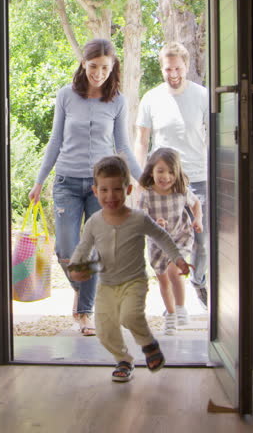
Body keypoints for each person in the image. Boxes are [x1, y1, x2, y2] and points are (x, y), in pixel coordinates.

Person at [29, 38, 143, 337]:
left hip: (101, 187)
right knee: (67, 249)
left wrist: (142, 179)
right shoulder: (66, 95)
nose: (99, 73)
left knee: (93, 249)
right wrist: (39, 181)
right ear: (83, 64)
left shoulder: (117, 100)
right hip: (66, 181)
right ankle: (87, 293)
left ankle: (85, 312)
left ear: (113, 66)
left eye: (105, 67)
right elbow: (55, 142)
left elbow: (123, 146)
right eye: (94, 66)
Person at [68, 156, 190, 382]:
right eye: (104, 190)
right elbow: (83, 248)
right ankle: (123, 360)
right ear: (95, 191)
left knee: (130, 316)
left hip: (134, 282)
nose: (110, 196)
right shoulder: (95, 222)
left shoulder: (138, 219)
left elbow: (161, 237)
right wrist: (75, 268)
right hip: (106, 285)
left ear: (129, 189)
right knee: (104, 331)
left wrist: (178, 259)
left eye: (117, 189)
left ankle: (148, 345)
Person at [134, 41, 210, 308]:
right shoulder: (151, 98)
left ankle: (198, 281)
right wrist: (139, 180)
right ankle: (173, 305)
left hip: (197, 178)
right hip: (162, 184)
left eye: (178, 68)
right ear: (162, 68)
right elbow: (142, 141)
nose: (173, 73)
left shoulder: (203, 96)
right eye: (168, 69)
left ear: (186, 66)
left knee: (202, 240)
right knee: (163, 240)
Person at [137, 148, 202, 335]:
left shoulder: (180, 190)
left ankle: (181, 307)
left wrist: (198, 220)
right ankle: (171, 315)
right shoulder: (147, 195)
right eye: (161, 171)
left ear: (177, 172)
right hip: (157, 243)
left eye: (171, 172)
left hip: (180, 236)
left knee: (174, 271)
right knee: (164, 281)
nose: (166, 176)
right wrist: (154, 223)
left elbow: (196, 203)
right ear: (151, 171)